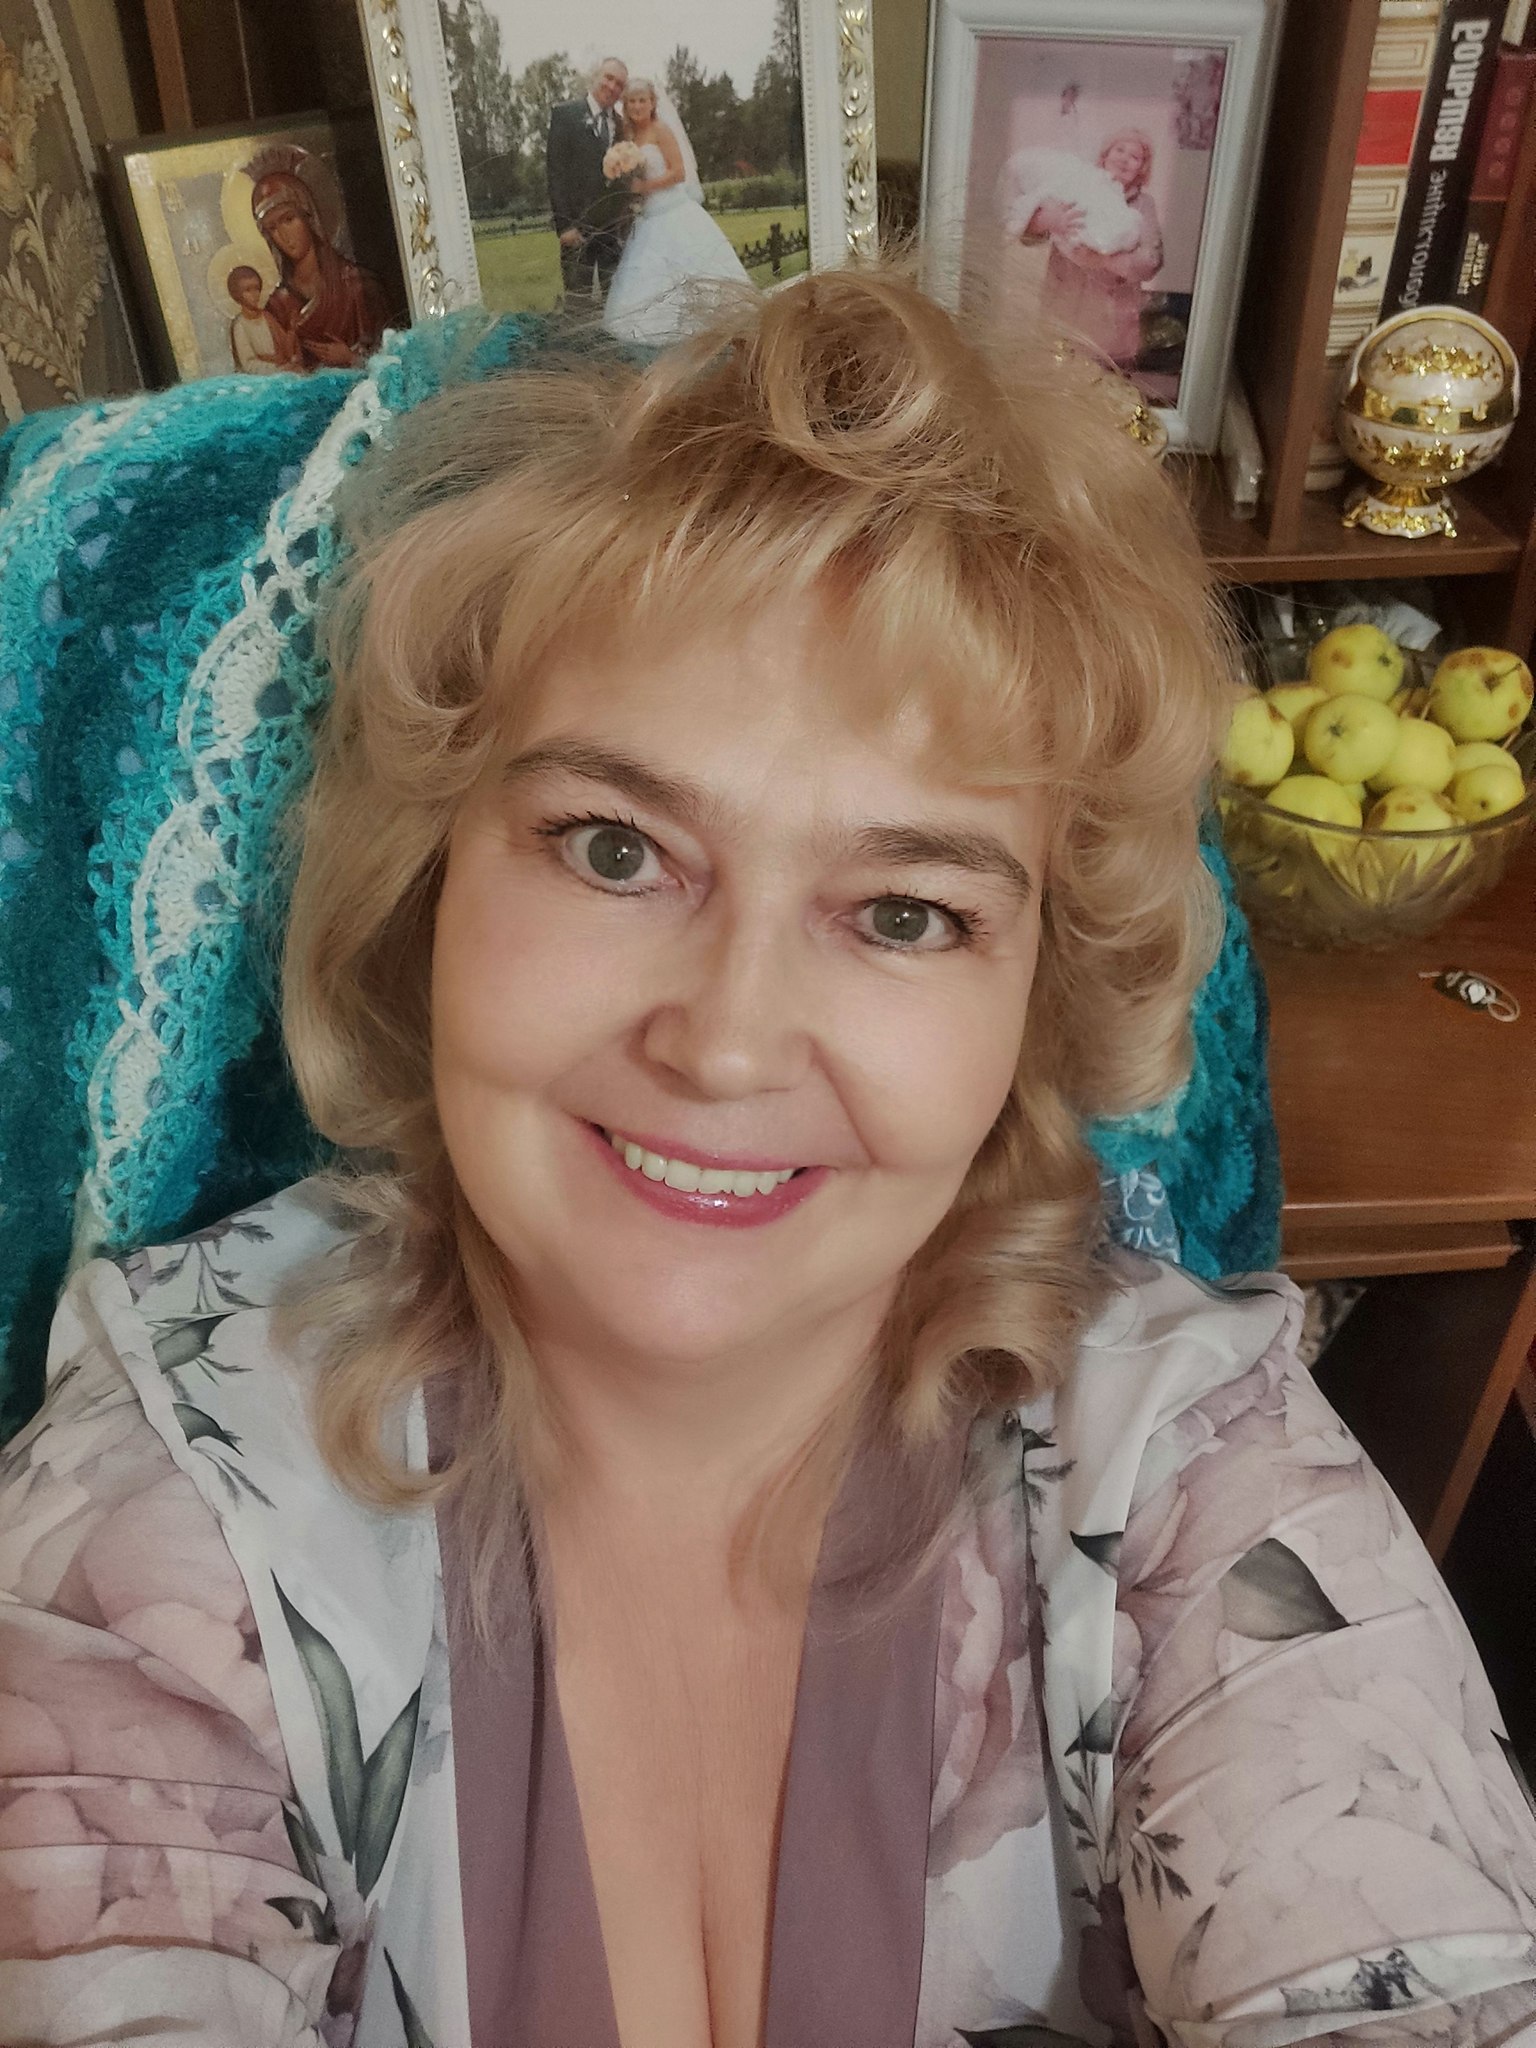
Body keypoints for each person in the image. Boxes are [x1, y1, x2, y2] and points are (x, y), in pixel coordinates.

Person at [3, 269, 1535, 2047]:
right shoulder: (175, 1486)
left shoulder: (1190, 1471)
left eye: (903, 910)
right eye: (613, 846)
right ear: (427, 878)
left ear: (1036, 999)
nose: (726, 1042)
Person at [602, 77, 750, 346]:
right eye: (632, 101)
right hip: (648, 217)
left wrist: (644, 186)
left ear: (652, 103)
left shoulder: (661, 130)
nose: (637, 106)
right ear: (626, 105)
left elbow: (679, 173)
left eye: (642, 100)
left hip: (674, 211)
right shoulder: (629, 138)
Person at [1018, 127, 1164, 371]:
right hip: (1062, 308)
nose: (1124, 159)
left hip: (1110, 320)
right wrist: (1047, 221)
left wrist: (1103, 260)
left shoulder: (1143, 204)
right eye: (1119, 150)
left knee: (1106, 381)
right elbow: (1027, 236)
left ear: (1142, 168)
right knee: (1053, 377)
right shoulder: (1075, 187)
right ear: (1105, 155)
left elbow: (1151, 261)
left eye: (1135, 157)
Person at [250, 160, 391, 372]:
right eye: (272, 228)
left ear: (309, 217)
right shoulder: (278, 305)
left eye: (289, 219)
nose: (284, 235)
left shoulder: (359, 286)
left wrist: (350, 357)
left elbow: (393, 360)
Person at [547, 56, 634, 308]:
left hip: (611, 233)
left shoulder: (621, 125)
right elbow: (556, 173)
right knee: (579, 304)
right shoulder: (565, 115)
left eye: (619, 84)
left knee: (615, 303)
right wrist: (564, 226)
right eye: (609, 78)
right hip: (577, 229)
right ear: (596, 76)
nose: (612, 87)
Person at [226, 263, 293, 374]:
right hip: (263, 376)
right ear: (237, 294)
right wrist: (278, 369)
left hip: (282, 368)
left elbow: (285, 345)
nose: (254, 294)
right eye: (248, 290)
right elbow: (248, 364)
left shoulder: (267, 317)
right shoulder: (240, 325)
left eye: (256, 288)